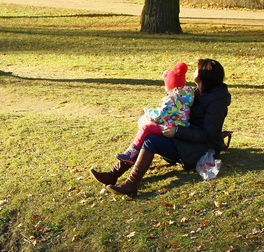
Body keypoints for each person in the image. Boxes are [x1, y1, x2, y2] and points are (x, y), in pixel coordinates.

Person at [90, 59, 230, 199]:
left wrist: (177, 131)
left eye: (197, 70)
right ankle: (113, 174)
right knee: (149, 130)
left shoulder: (216, 102)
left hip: (197, 150)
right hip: (184, 141)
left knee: (151, 140)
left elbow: (208, 134)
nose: (194, 72)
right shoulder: (198, 92)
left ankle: (131, 184)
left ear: (203, 76)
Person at [115, 61, 195, 163]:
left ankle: (132, 153)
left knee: (146, 128)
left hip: (170, 127)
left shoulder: (172, 99)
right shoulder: (187, 95)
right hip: (180, 126)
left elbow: (159, 115)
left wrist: (148, 111)